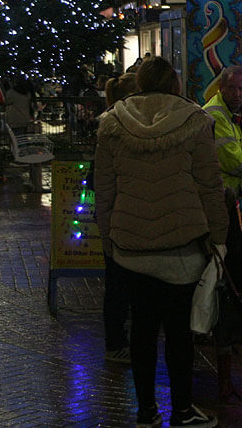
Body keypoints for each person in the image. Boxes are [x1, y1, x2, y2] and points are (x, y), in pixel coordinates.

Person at [96, 57, 228, 428]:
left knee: (141, 330)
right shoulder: (195, 121)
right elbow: (209, 186)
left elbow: (105, 189)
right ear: (174, 83)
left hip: (131, 246)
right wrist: (219, 237)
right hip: (181, 246)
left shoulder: (112, 123)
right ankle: (183, 410)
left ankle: (146, 412)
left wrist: (109, 237)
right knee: (178, 335)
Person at [97, 71, 138, 365]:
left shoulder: (110, 121)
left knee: (119, 285)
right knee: (119, 286)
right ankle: (116, 342)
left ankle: (118, 340)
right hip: (122, 216)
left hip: (117, 215)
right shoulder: (116, 125)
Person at [202, 66, 242, 249]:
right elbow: (234, 162)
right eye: (232, 88)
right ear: (221, 87)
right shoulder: (214, 114)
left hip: (238, 194)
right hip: (220, 195)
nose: (237, 94)